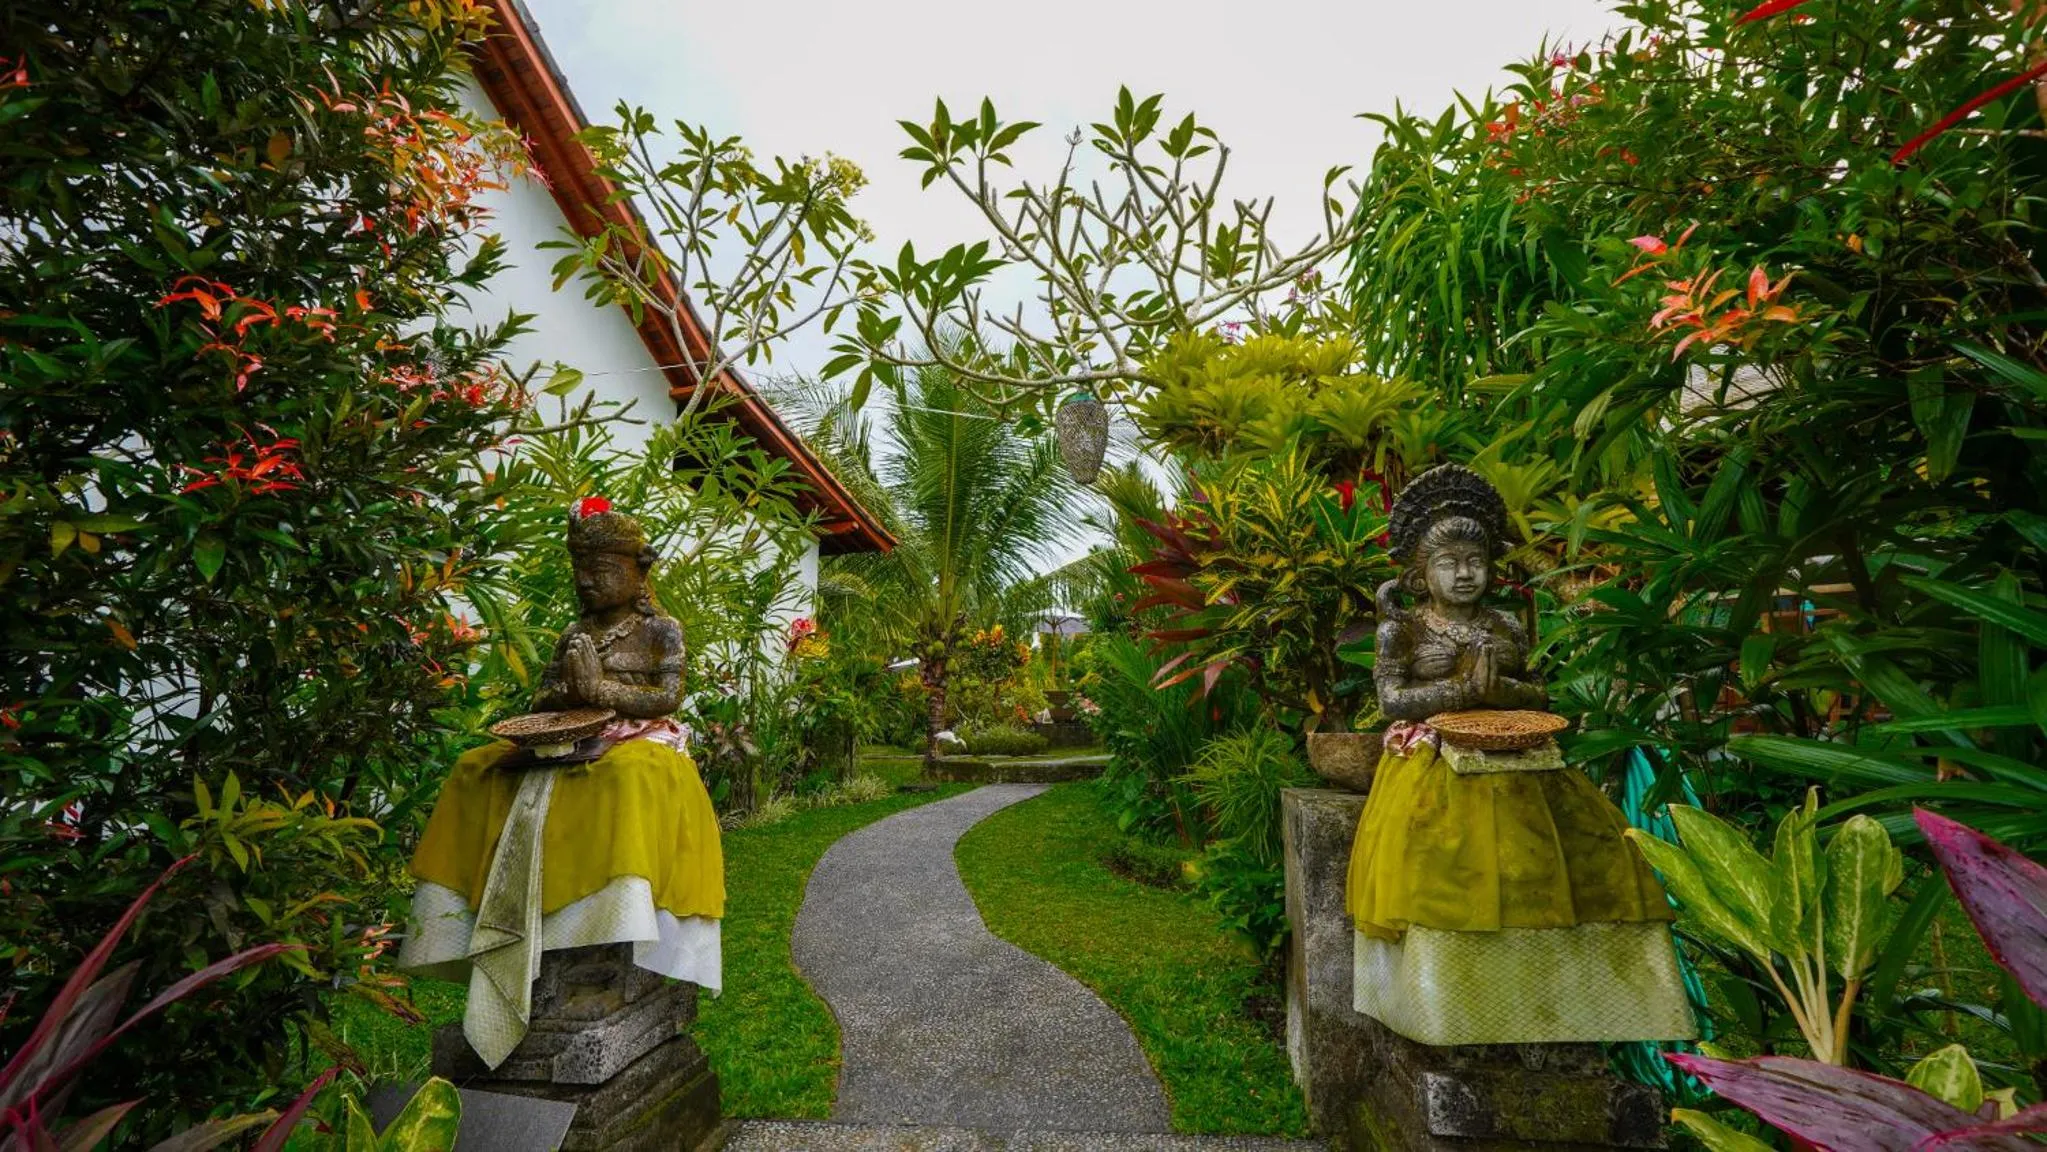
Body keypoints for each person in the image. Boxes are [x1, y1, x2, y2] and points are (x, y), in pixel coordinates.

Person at [1345, 465, 1694, 1046]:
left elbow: (1538, 693)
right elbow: (1390, 701)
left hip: (1522, 761)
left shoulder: (1506, 623)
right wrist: (1459, 692)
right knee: (1447, 882)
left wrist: (1499, 691)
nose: (1464, 575)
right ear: (1419, 573)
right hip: (1435, 770)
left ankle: (1550, 1002)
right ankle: (1447, 1006)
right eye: (1448, 564)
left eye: (1475, 563)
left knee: (1552, 871)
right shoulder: (1400, 629)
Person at [397, 498, 723, 1068]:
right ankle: (474, 923)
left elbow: (665, 698)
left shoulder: (660, 631)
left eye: (600, 571)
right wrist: (571, 690)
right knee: (474, 767)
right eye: (580, 571)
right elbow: (545, 695)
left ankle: (608, 923)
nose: (585, 583)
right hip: (564, 735)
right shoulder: (576, 631)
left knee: (626, 777)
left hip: (641, 738)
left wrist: (603, 692)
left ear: (637, 572)